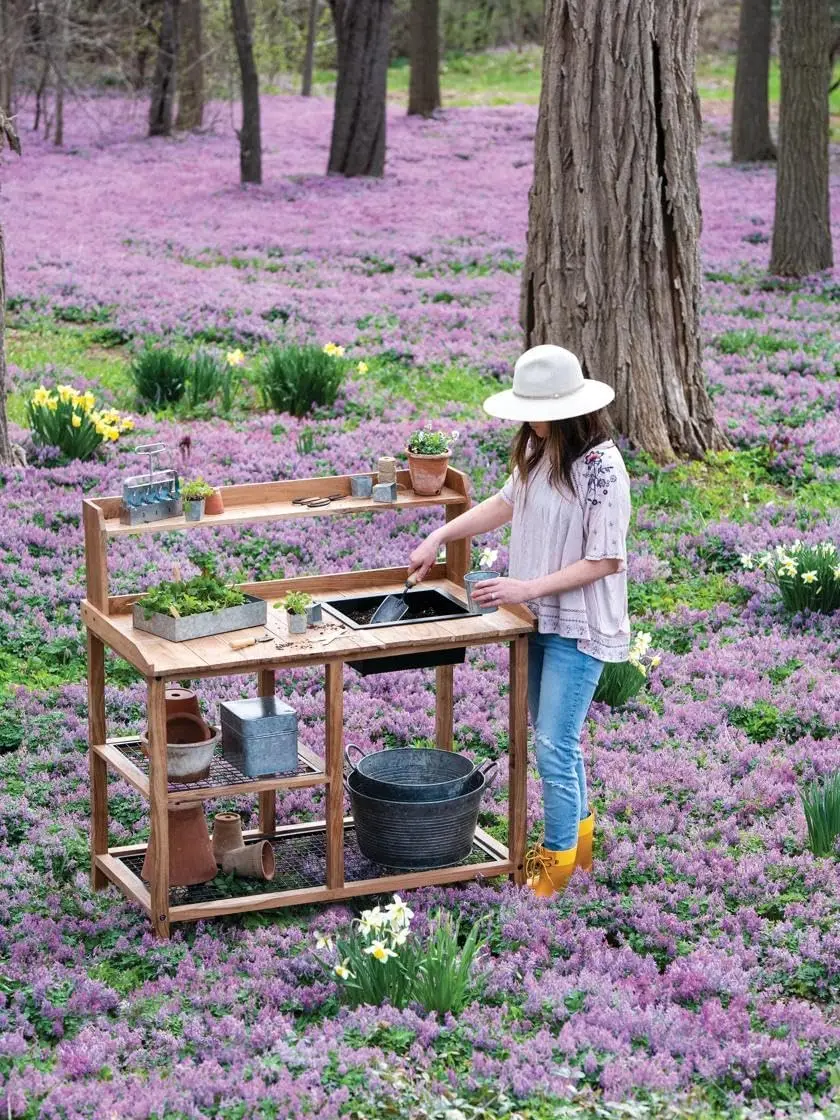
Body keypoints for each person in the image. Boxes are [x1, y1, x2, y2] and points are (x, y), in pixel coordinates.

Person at [408, 345, 631, 898]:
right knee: (558, 740)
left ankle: (553, 868)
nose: (528, 419)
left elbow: (605, 560)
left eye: (537, 408)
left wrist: (526, 586)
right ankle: (579, 854)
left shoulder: (602, 467)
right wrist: (441, 534)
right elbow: (507, 503)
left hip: (577, 623)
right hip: (537, 618)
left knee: (554, 743)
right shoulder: (536, 447)